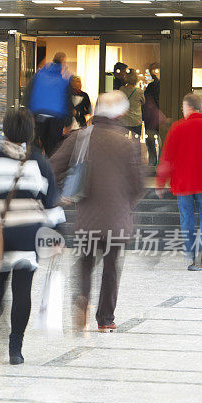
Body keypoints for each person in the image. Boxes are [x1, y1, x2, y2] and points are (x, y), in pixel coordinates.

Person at [51, 91, 145, 332]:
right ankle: (105, 319)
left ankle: (81, 302)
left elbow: (53, 166)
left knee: (84, 263)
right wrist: (125, 205)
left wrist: (66, 191)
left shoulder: (80, 138)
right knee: (111, 268)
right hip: (117, 219)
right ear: (120, 113)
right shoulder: (128, 143)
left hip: (88, 218)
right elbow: (138, 185)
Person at [0, 108, 63, 365]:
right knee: (22, 290)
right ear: (29, 133)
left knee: (0, 287)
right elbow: (52, 204)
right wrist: (58, 236)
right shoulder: (39, 163)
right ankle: (16, 348)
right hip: (29, 234)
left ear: (5, 131)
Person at [156, 93, 202, 271]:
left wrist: (160, 181)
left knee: (187, 218)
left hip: (183, 183)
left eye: (182, 107)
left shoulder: (178, 128)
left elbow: (167, 157)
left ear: (188, 107)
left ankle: (192, 255)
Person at [25, 52, 72, 157]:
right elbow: (67, 100)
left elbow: (29, 93)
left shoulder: (40, 74)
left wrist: (28, 113)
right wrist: (68, 121)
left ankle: (35, 168)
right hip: (55, 118)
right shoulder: (64, 79)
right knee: (53, 150)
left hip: (38, 115)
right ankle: (50, 170)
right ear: (63, 62)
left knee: (35, 148)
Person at [143, 63, 161, 166]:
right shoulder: (154, 85)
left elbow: (145, 100)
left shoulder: (152, 86)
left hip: (151, 116)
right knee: (157, 139)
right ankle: (156, 161)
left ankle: (153, 161)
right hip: (156, 116)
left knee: (151, 139)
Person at [118, 70, 145, 138]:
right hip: (136, 120)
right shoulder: (139, 91)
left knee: (123, 141)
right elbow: (143, 102)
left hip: (124, 120)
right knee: (136, 142)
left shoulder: (121, 89)